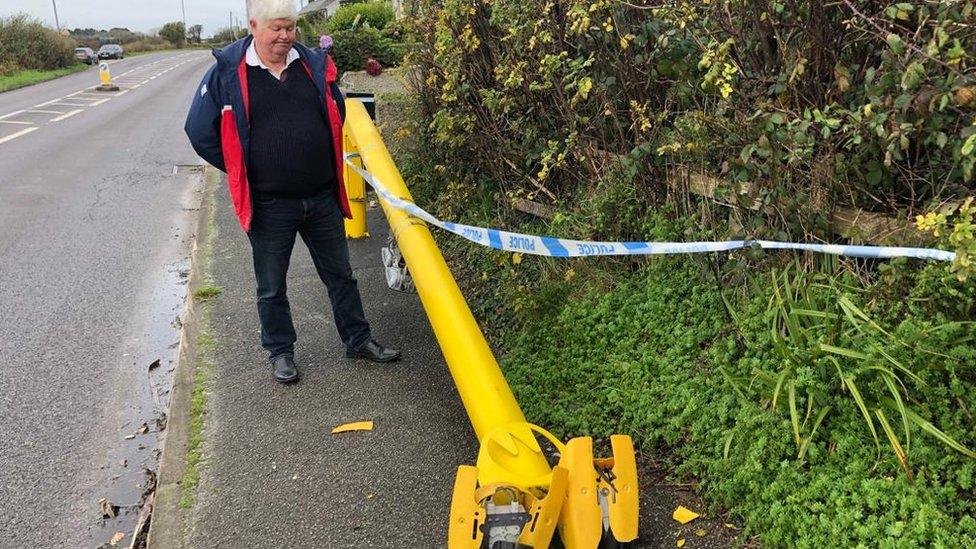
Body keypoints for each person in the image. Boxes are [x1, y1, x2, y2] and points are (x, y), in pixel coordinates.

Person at [184, 0, 400, 384]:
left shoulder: (312, 65)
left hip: (319, 197)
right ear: (254, 26)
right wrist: (243, 168)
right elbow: (199, 131)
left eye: (290, 28)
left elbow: (336, 112)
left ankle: (358, 339)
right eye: (276, 29)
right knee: (271, 286)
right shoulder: (227, 73)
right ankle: (280, 352)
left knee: (341, 275)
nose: (285, 36)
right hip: (269, 205)